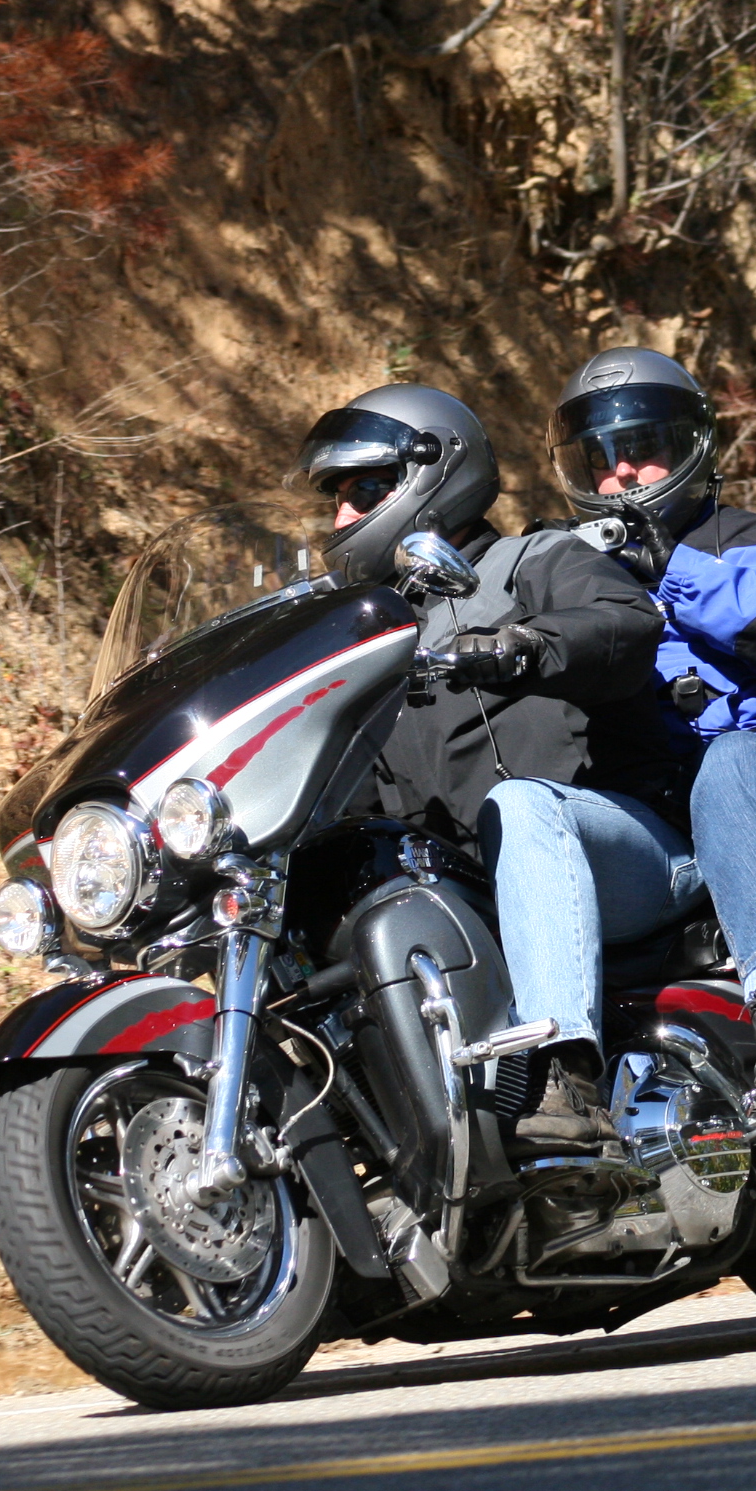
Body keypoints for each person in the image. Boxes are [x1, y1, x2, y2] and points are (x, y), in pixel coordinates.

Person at [288, 384, 699, 1147]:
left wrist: (527, 644)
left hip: (628, 854)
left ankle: (564, 1074)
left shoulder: (535, 561)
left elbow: (626, 625)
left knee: (521, 806)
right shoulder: (374, 640)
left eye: (365, 492)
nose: (343, 519)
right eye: (337, 500)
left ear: (436, 474)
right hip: (479, 884)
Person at [546, 348, 756, 1100]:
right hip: (656, 814)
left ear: (689, 446)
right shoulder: (570, 565)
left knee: (733, 759)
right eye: (601, 458)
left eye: (640, 449)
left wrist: (673, 569)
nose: (621, 473)